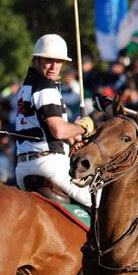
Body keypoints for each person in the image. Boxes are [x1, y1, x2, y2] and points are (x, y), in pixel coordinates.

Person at [13, 34, 95, 207]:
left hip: (22, 168)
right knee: (102, 199)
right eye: (48, 60)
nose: (53, 67)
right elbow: (58, 130)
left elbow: (45, 129)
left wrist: (70, 139)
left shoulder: (27, 86)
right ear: (37, 59)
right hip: (48, 165)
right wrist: (83, 127)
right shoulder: (45, 86)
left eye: (58, 62)